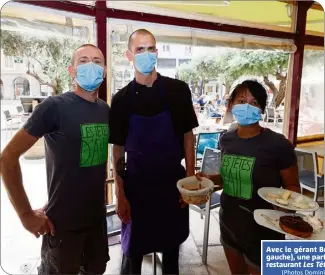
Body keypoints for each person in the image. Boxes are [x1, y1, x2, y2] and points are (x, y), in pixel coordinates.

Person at [0, 44, 110, 275]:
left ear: (105, 71)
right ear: (71, 70)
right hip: (62, 227)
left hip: (97, 222)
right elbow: (7, 157)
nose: (91, 65)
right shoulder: (54, 107)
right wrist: (25, 214)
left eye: (97, 62)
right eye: (83, 61)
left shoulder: (104, 110)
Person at [109, 29, 198, 275]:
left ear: (157, 52)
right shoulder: (121, 100)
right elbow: (118, 149)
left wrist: (189, 182)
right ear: (129, 55)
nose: (146, 54)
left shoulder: (178, 90)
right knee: (132, 254)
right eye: (140, 49)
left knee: (171, 255)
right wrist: (120, 192)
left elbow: (187, 137)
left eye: (150, 49)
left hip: (172, 185)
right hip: (136, 188)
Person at [197, 80, 300, 275]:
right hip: (229, 222)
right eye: (241, 100)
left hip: (264, 228)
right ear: (231, 105)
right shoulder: (226, 139)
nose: (246, 106)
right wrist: (207, 180)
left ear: (261, 108)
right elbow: (228, 177)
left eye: (253, 103)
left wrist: (287, 207)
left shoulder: (278, 144)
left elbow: (293, 187)